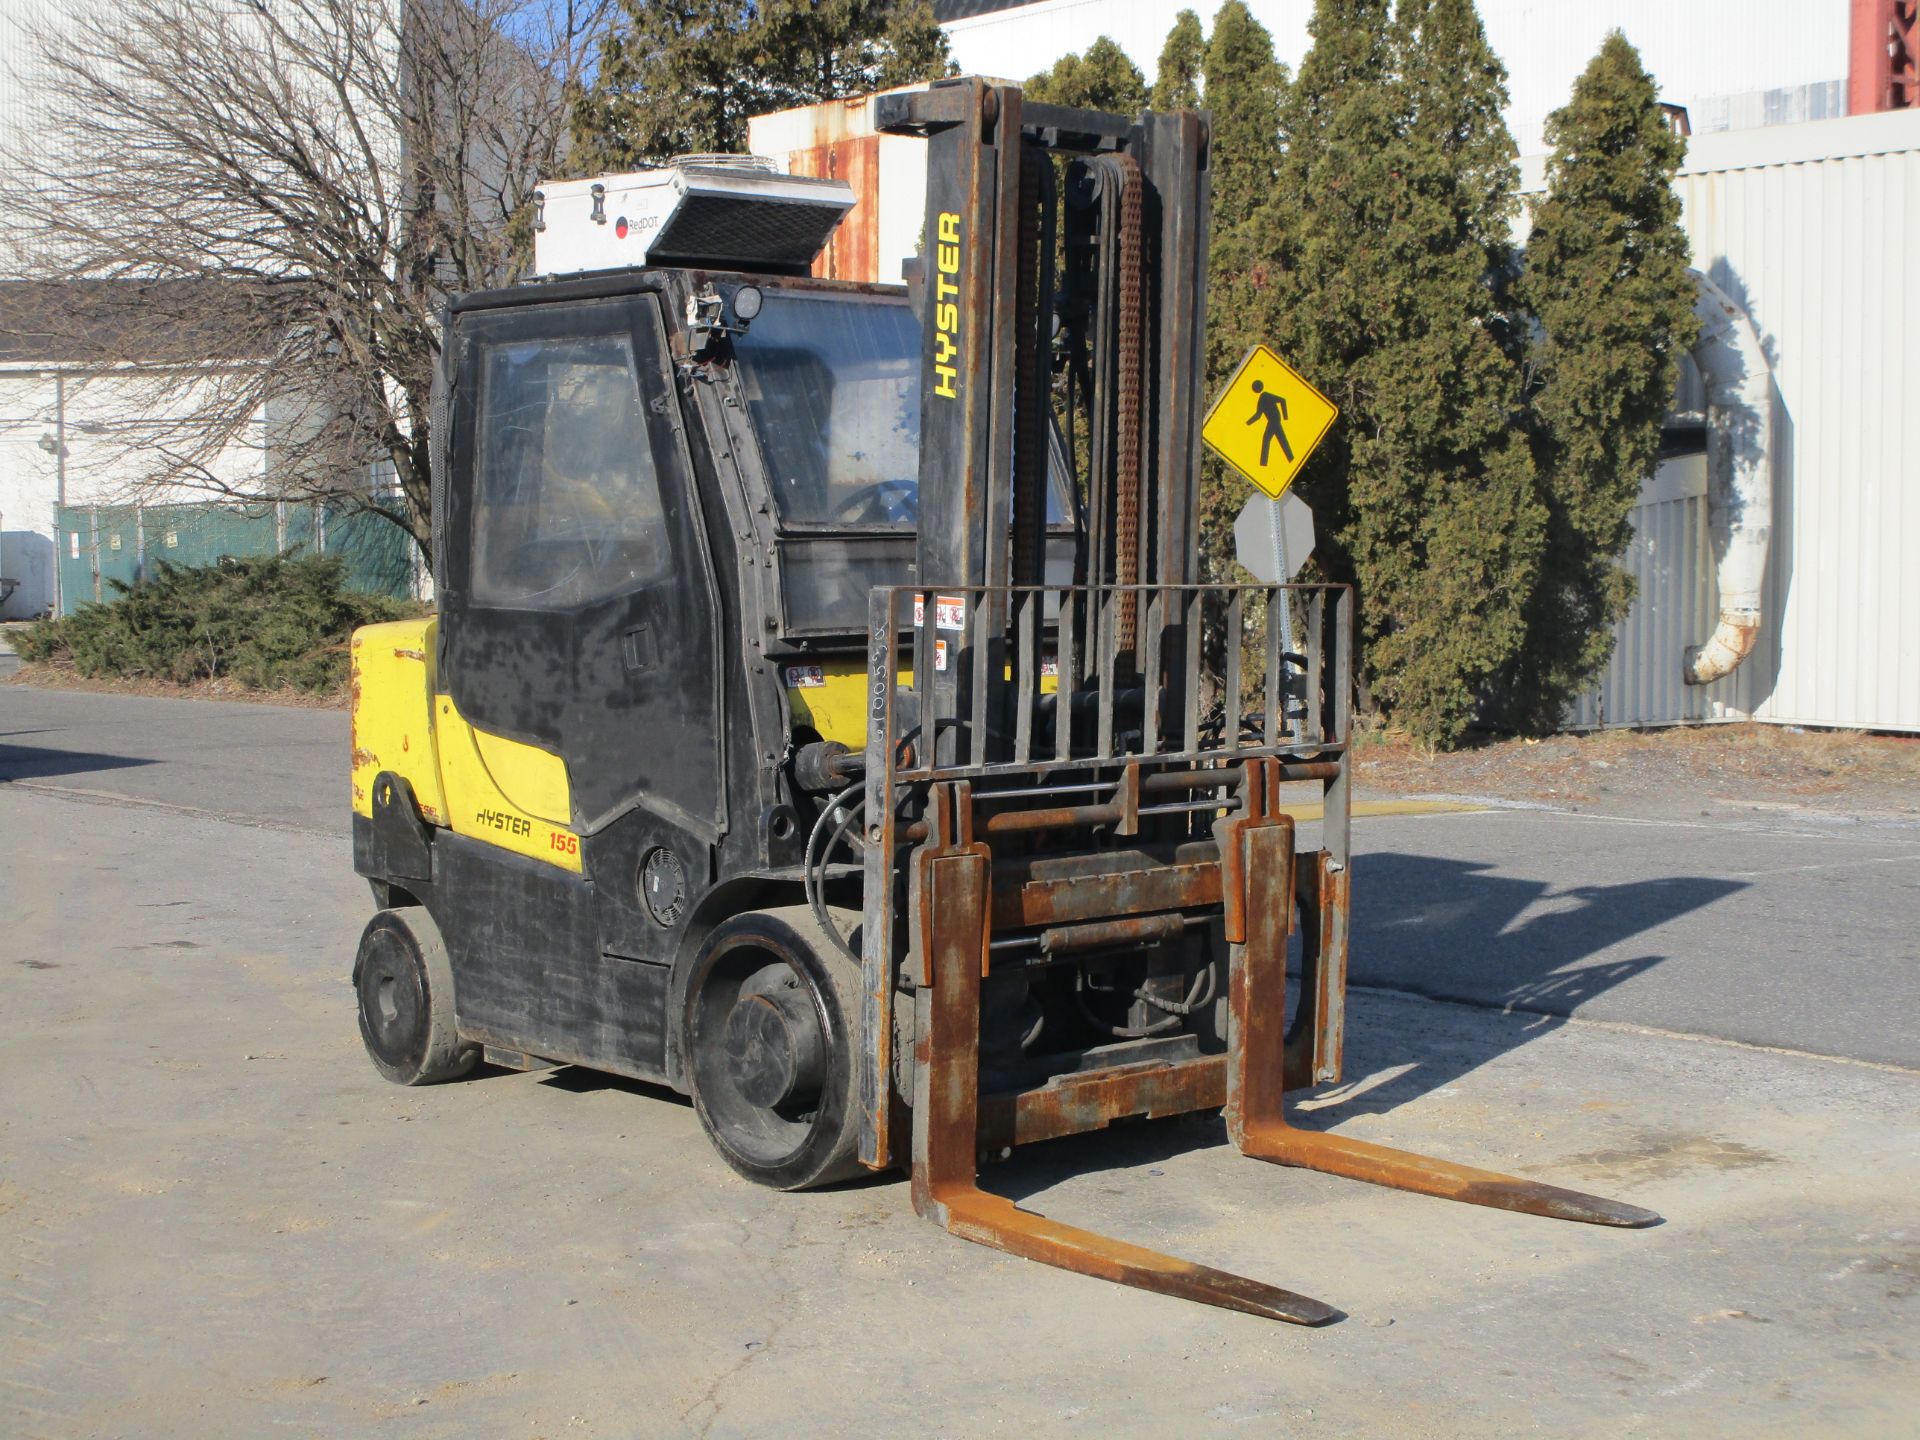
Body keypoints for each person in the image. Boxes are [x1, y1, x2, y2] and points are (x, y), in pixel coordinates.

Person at [1246, 379, 1293, 468]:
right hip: (1273, 421)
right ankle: (1290, 458)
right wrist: (1247, 423)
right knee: (1279, 439)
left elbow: (1282, 400)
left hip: (1274, 421)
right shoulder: (1262, 398)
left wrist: (1285, 417)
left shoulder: (1265, 396)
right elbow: (1258, 415)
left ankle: (1264, 464)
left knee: (1269, 439)